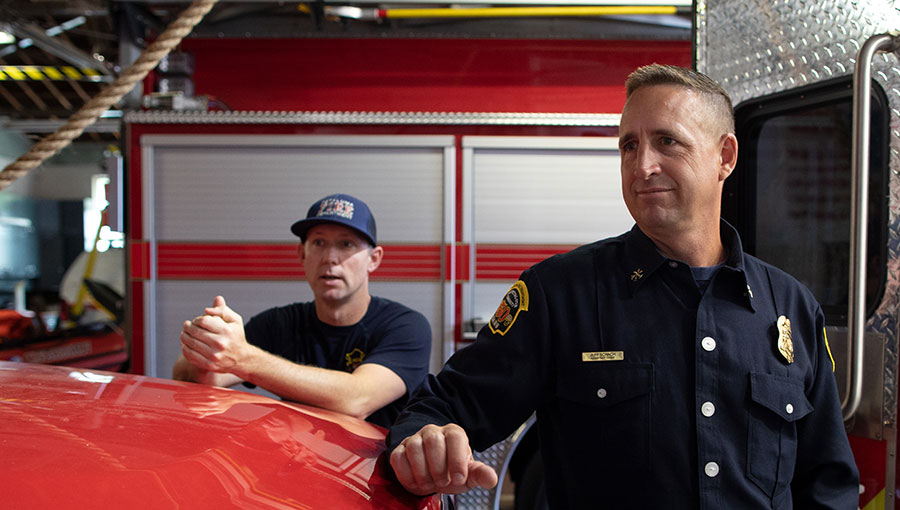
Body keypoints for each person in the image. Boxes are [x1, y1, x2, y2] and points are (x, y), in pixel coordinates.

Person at [387, 64, 859, 508]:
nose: (642, 165)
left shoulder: (791, 307)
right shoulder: (558, 295)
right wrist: (424, 441)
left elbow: (827, 482)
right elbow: (442, 405)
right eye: (629, 146)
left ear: (726, 157)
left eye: (667, 142)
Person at [173, 193, 432, 428]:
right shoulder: (279, 323)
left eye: (346, 245)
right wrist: (206, 347)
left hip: (376, 471)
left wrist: (244, 358)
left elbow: (356, 400)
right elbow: (201, 380)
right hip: (302, 467)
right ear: (302, 254)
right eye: (318, 243)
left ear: (373, 259)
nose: (330, 257)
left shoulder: (406, 326)